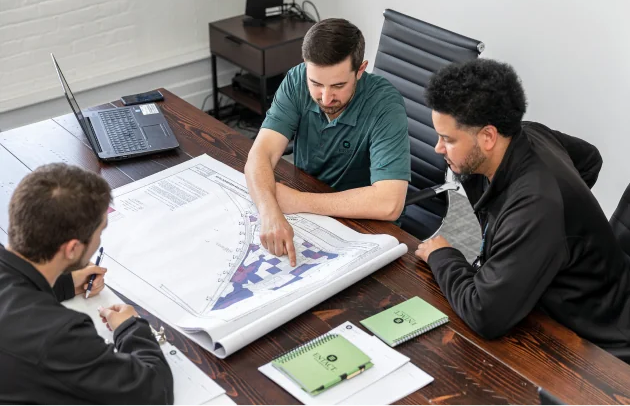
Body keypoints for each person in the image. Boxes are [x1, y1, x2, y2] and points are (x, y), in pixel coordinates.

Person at [414, 58, 630, 363]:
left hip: (602, 346)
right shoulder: (528, 133)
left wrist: (442, 255)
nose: (438, 148)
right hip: (573, 301)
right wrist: (559, 238)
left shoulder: (536, 207)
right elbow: (590, 158)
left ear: (488, 137)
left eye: (448, 139)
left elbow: (484, 314)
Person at [0, 164, 174, 405]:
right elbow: (153, 393)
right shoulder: (57, 335)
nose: (100, 238)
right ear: (72, 248)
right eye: (99, 232)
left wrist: (64, 283)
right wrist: (130, 328)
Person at [245, 18, 411, 266]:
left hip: (364, 228)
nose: (325, 97)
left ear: (361, 70)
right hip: (309, 215)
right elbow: (261, 154)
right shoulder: (296, 80)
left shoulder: (385, 105)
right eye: (316, 83)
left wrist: (299, 201)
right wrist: (269, 211)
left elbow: (389, 204)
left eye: (338, 85)